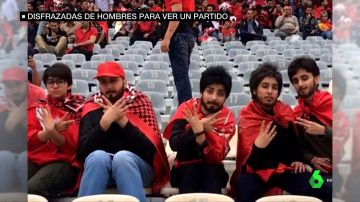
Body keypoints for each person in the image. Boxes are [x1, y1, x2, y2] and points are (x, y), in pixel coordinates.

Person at [231, 63, 330, 202]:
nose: (270, 91)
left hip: (287, 170)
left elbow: (295, 144)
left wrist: (297, 160)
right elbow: (249, 161)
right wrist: (258, 146)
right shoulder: (248, 116)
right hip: (256, 173)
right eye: (265, 86)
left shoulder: (285, 111)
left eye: (274, 87)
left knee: (322, 185)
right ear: (254, 90)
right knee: (242, 187)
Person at [77, 62, 169, 202]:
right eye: (104, 82)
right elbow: (82, 153)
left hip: (137, 169)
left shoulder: (140, 101)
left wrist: (122, 121)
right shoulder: (91, 106)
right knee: (97, 157)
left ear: (124, 81)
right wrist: (104, 124)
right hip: (102, 171)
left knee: (122, 158)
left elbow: (151, 150)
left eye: (113, 81)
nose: (108, 87)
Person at [163, 66, 235, 194]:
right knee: (190, 172)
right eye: (210, 91)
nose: (213, 97)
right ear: (202, 91)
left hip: (213, 168)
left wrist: (200, 133)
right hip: (184, 168)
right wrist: (195, 129)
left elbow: (217, 156)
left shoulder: (226, 118)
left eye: (220, 93)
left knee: (210, 173)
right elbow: (174, 143)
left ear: (226, 97)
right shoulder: (186, 108)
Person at [28, 63, 85, 198]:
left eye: (60, 82)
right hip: (36, 158)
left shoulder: (79, 108)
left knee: (31, 190)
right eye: (50, 82)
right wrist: (50, 131)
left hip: (65, 162)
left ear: (69, 85)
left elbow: (72, 147)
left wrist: (52, 132)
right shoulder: (38, 107)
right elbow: (28, 141)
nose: (55, 86)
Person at [287, 57, 332, 198]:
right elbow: (300, 147)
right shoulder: (297, 114)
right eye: (295, 81)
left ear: (317, 79)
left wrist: (324, 130)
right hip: (320, 171)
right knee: (312, 189)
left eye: (304, 78)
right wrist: (311, 159)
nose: (300, 84)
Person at [161, 0, 196, 105]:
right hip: (187, 33)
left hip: (179, 34)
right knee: (182, 77)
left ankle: (186, 114)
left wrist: (167, 38)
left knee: (181, 78)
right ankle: (186, 111)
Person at [0, 67, 28, 192]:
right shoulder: (2, 109)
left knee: (24, 158)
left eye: (17, 85)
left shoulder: (37, 105)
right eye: (9, 87)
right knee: (5, 157)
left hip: (33, 163)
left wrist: (23, 122)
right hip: (5, 162)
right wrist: (9, 125)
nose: (13, 91)